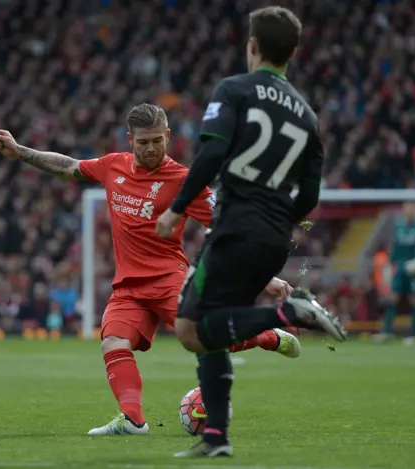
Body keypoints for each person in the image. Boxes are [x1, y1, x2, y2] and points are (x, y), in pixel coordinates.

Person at [0, 103, 302, 438]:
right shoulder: (113, 166)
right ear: (130, 140)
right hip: (129, 285)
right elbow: (68, 166)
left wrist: (264, 277)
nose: (151, 148)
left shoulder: (185, 180)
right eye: (143, 142)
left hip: (170, 278)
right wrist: (20, 151)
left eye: (158, 140)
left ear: (168, 136)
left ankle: (269, 336)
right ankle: (133, 420)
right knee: (112, 342)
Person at [155, 6, 347, 458]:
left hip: (236, 226)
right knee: (214, 327)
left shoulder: (235, 90)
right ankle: (217, 438)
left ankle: (287, 315)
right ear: (294, 53)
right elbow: (311, 195)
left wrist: (176, 209)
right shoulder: (307, 115)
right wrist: (283, 222)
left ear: (253, 45)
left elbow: (211, 156)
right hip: (274, 237)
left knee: (189, 328)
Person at [374, 202, 415, 345]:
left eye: (412, 208)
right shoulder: (399, 226)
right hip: (400, 267)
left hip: (414, 268)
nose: (409, 211)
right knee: (393, 298)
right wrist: (390, 263)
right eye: (407, 208)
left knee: (414, 300)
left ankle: (413, 335)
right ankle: (386, 332)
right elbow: (396, 247)